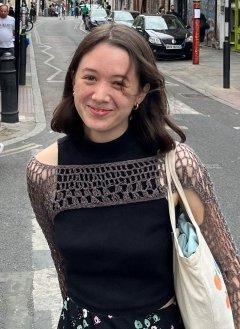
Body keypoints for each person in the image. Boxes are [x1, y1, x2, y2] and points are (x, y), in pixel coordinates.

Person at [26, 24, 240, 329]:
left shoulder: (176, 165)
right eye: (90, 78)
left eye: (119, 84)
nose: (100, 95)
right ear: (73, 79)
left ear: (141, 93)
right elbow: (63, 268)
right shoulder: (44, 171)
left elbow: (229, 268)